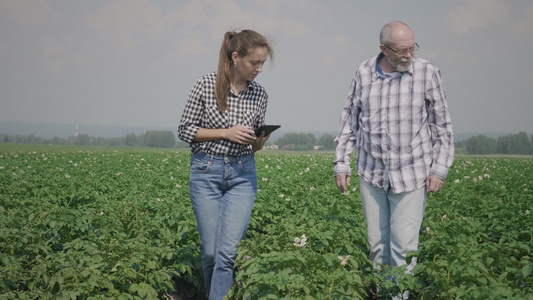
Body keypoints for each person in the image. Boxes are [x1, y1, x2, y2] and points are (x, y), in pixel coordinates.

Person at [333, 21, 454, 295]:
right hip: (371, 172)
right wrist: (342, 162)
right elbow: (348, 120)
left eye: (412, 48)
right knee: (377, 245)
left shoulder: (427, 73)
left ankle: (399, 296)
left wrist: (440, 167)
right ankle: (384, 293)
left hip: (411, 173)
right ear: (384, 49)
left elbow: (442, 125)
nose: (408, 55)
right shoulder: (364, 73)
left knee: (404, 247)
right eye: (401, 51)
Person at [178, 29, 274, 300]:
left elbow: (253, 143)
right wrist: (226, 132)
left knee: (227, 252)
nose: (259, 69)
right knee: (210, 252)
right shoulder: (206, 85)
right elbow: (185, 129)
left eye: (263, 63)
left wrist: (259, 141)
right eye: (254, 63)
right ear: (235, 57)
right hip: (206, 170)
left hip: (243, 173)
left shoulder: (260, 94)